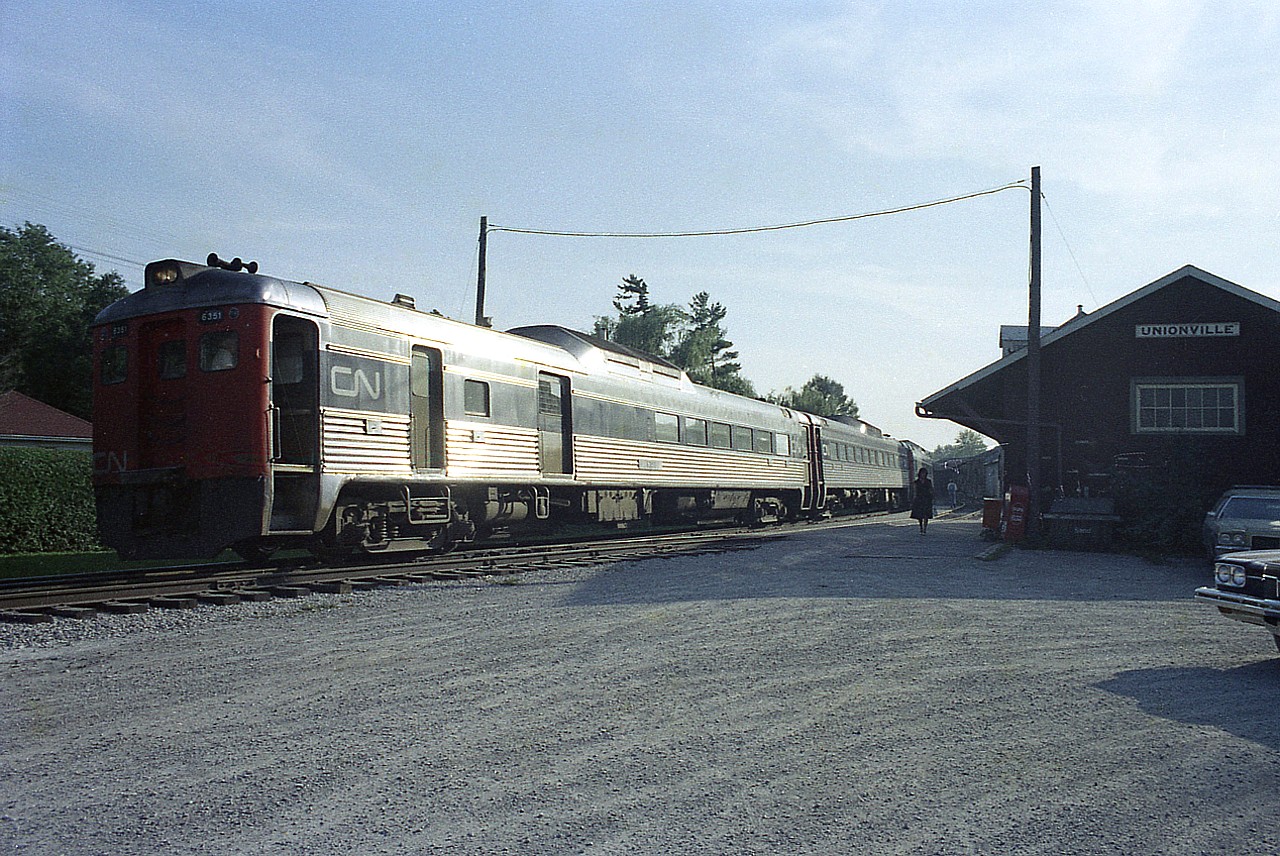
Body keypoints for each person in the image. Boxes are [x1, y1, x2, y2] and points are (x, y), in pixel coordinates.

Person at [910, 467, 934, 534]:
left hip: (927, 499)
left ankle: (925, 528)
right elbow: (915, 491)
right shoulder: (916, 482)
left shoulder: (928, 481)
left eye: (924, 473)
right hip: (919, 499)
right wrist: (914, 499)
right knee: (920, 515)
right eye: (922, 473)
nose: (923, 474)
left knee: (926, 515)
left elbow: (931, 490)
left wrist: (932, 497)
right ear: (919, 474)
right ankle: (921, 527)